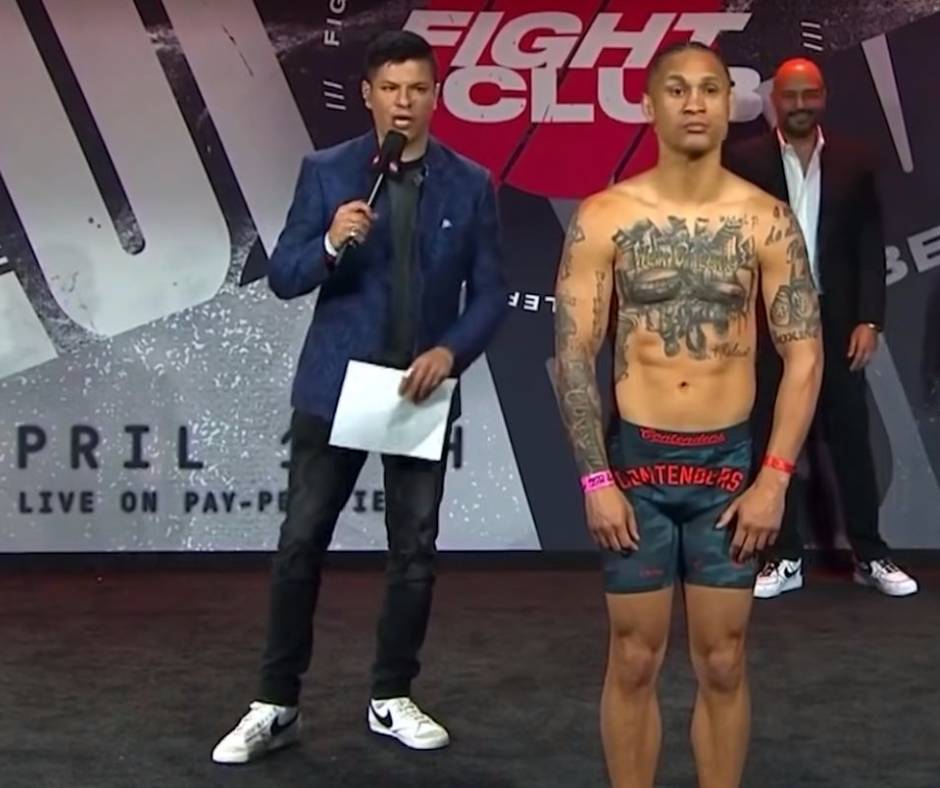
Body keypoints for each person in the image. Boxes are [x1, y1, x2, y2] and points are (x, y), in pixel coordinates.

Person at [212, 31, 507, 763]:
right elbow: (284, 276)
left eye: (418, 90)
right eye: (391, 89)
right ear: (369, 95)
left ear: (435, 97)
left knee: (414, 550)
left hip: (417, 391)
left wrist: (450, 351)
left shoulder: (470, 183)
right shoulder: (328, 172)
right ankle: (275, 703)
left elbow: (491, 293)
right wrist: (328, 243)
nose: (404, 103)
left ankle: (391, 694)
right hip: (335, 387)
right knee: (301, 542)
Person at [551, 40, 823, 788]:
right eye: (678, 90)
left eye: (709, 89)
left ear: (730, 104)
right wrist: (596, 481)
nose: (695, 102)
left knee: (724, 660)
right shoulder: (606, 216)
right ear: (649, 105)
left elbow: (804, 355)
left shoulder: (765, 220)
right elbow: (572, 355)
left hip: (728, 470)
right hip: (635, 466)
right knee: (633, 657)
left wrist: (774, 479)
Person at [725, 57, 917, 599]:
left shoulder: (855, 161)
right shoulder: (743, 161)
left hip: (836, 322)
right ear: (774, 101)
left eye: (809, 94)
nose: (800, 105)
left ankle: (870, 553)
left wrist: (870, 318)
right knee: (770, 437)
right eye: (790, 96)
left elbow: (869, 248)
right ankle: (782, 556)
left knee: (851, 439)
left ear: (823, 96)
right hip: (769, 322)